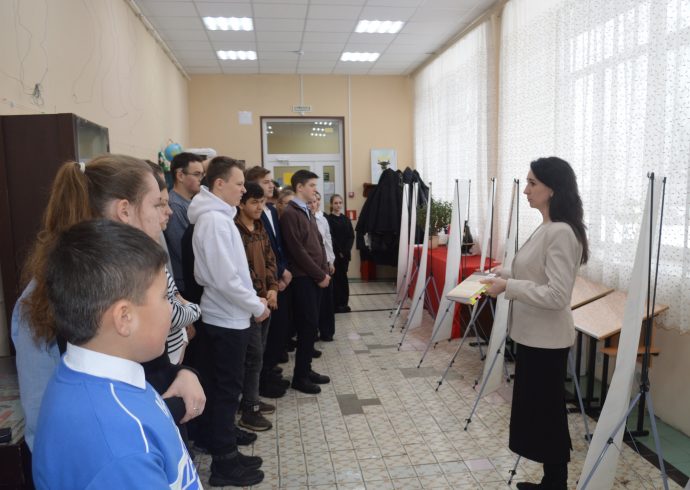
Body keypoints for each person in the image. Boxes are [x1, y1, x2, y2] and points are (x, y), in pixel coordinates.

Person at [12, 155, 205, 454]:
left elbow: (149, 369)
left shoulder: (133, 276)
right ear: (124, 210)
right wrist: (167, 410)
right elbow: (48, 428)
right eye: (156, 204)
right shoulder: (47, 296)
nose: (165, 212)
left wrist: (183, 374)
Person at [32, 220, 201, 489]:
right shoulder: (120, 452)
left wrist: (184, 374)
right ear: (124, 318)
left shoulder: (98, 374)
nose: (171, 308)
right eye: (164, 298)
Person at [482, 157, 589, 490]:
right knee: (543, 415)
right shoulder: (548, 226)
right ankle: (551, 482)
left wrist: (509, 287)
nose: (526, 190)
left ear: (552, 189)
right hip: (533, 337)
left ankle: (556, 484)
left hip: (547, 341)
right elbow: (537, 273)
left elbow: (557, 295)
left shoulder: (561, 232)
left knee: (548, 415)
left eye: (532, 184)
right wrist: (504, 273)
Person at [188, 156, 269, 487]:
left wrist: (251, 301)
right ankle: (224, 464)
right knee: (225, 392)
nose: (243, 190)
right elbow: (225, 278)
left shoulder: (220, 217)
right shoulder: (214, 221)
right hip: (226, 318)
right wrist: (254, 305)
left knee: (226, 390)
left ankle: (227, 452)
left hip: (231, 314)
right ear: (219, 184)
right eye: (238, 184)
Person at [280, 170, 331, 394]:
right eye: (311, 185)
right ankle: (300, 377)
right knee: (306, 325)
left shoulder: (306, 211)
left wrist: (325, 268)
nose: (315, 190)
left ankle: (306, 368)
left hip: (314, 276)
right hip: (304, 278)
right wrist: (319, 275)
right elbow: (297, 251)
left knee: (311, 326)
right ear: (299, 187)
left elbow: (318, 242)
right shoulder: (290, 213)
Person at [235, 182, 279, 431]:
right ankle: (248, 409)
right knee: (252, 356)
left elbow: (270, 259)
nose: (260, 207)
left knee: (259, 354)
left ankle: (252, 398)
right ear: (242, 204)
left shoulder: (260, 227)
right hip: (250, 303)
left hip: (266, 300)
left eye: (262, 202)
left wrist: (273, 288)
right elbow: (243, 269)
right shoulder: (235, 230)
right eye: (254, 202)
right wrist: (261, 294)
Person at [245, 166, 292, 398]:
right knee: (262, 341)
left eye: (271, 181)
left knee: (277, 331)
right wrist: (274, 280)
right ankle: (262, 381)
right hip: (261, 286)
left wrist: (281, 272)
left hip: (275, 278)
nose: (271, 185)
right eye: (265, 181)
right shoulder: (247, 217)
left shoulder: (270, 210)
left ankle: (270, 369)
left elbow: (275, 246)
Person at [164, 152, 205, 295]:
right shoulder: (174, 206)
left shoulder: (191, 202)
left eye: (202, 174)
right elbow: (183, 250)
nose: (201, 179)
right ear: (180, 175)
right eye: (197, 174)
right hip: (184, 283)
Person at [309, 191, 336, 341]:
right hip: (311, 263)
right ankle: (313, 332)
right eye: (311, 201)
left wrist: (331, 261)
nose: (314, 204)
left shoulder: (322, 219)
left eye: (316, 201)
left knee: (326, 300)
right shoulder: (304, 218)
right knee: (313, 301)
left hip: (324, 262)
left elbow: (328, 241)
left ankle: (327, 331)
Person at [327, 194, 354, 313]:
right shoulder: (329, 219)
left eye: (340, 203)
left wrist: (345, 251)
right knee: (336, 280)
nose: (338, 205)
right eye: (336, 203)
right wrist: (339, 252)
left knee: (343, 280)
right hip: (335, 256)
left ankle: (344, 303)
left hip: (345, 256)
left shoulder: (346, 219)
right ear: (331, 204)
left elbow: (351, 236)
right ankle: (336, 304)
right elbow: (331, 238)